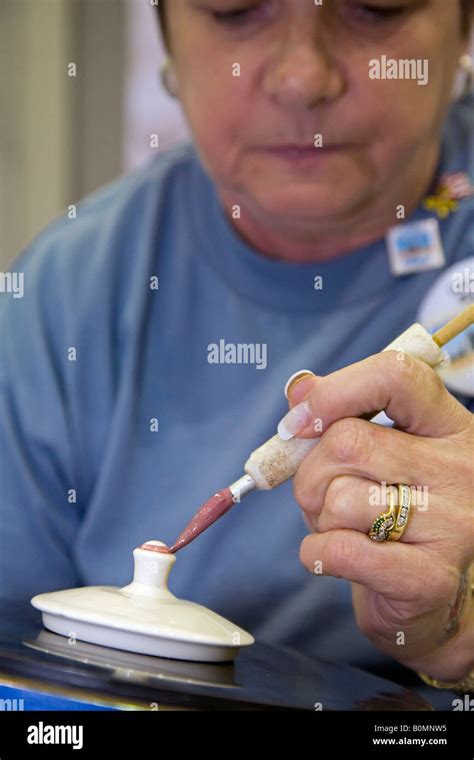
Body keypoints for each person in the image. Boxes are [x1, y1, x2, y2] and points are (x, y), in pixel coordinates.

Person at [1, 0, 473, 703]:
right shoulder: (67, 296)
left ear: (463, 27)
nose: (303, 77)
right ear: (164, 34)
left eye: (375, 8)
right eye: (235, 9)